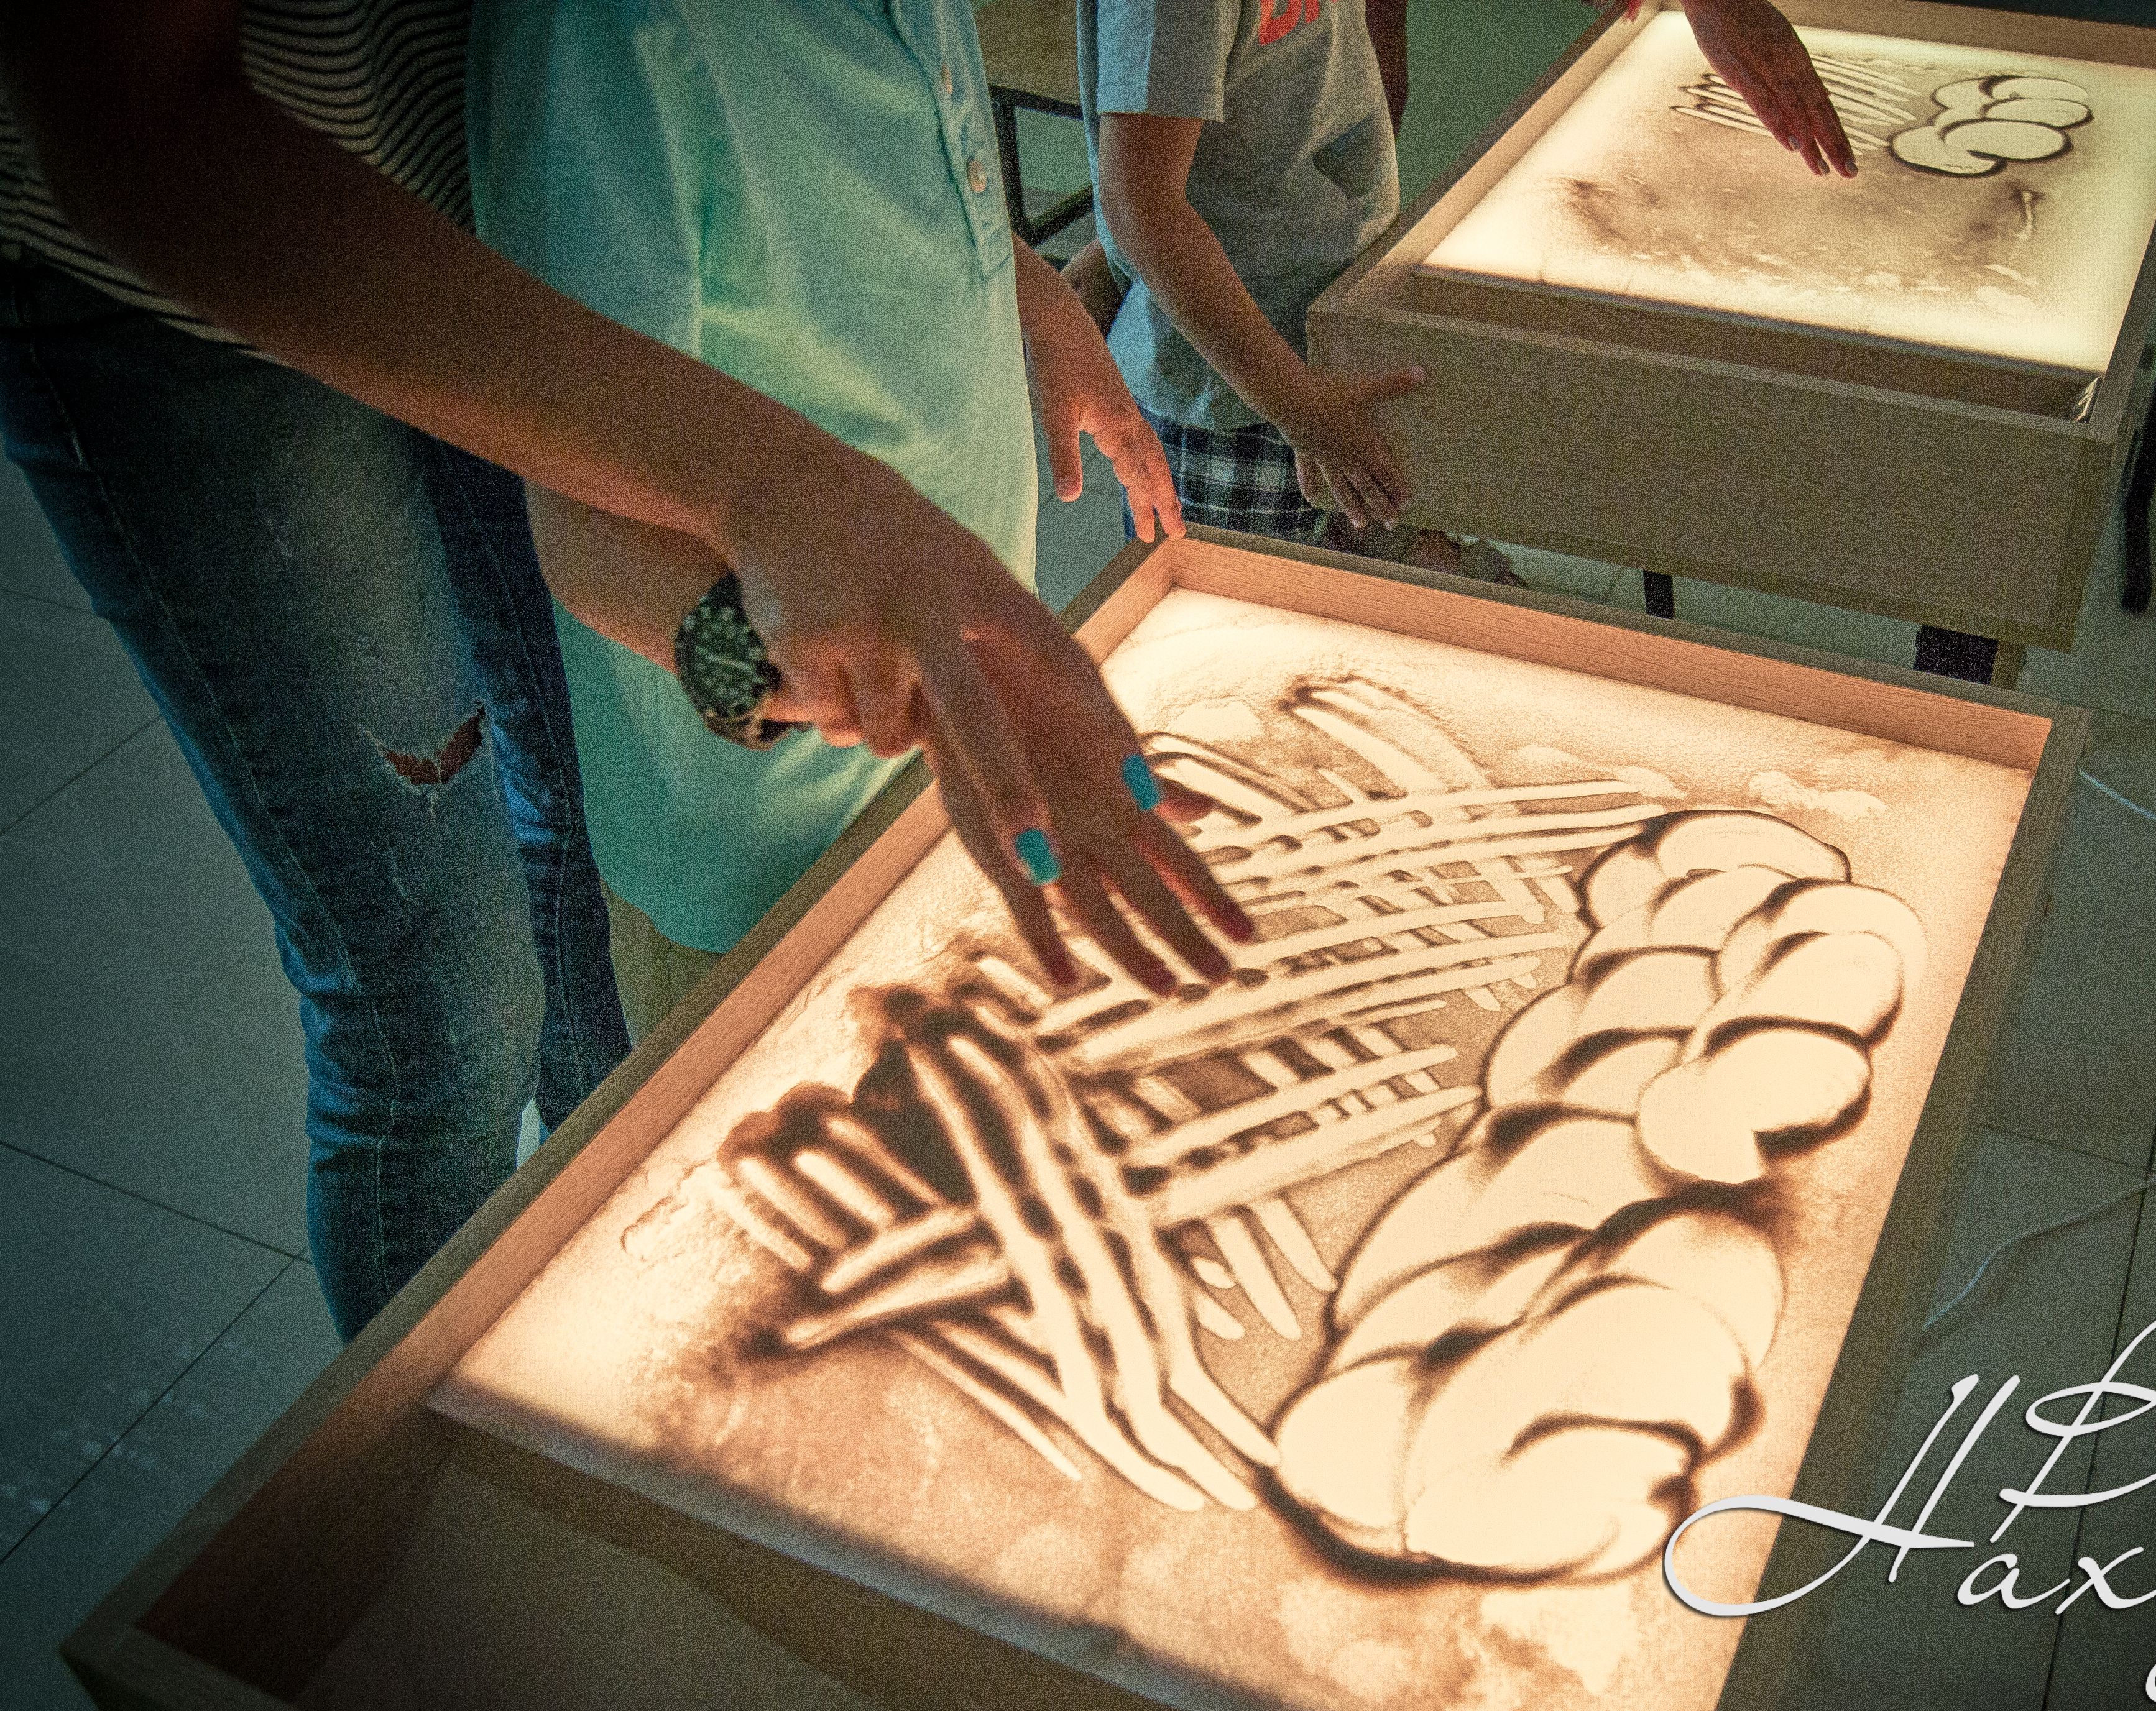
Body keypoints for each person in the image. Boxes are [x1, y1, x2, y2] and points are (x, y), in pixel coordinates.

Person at [0, 0, 1246, 1336]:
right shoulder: (621, 47)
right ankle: (438, 1427)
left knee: (570, 835)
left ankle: (598, 1258)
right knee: (442, 998)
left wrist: (1008, 283)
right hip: (203, 260)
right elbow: (138, 125)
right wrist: (772, 554)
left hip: (488, 189)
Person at [468, 0, 1254, 1045]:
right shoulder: (611, 39)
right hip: (759, 870)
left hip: (950, 788)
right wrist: (901, 691)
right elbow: (579, 526)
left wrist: (1037, 302)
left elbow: (898, 189)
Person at [1074, 0, 1852, 567]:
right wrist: (1300, 407)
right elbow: (1140, 200)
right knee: (1256, 650)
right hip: (1236, 402)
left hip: (1326, 337)